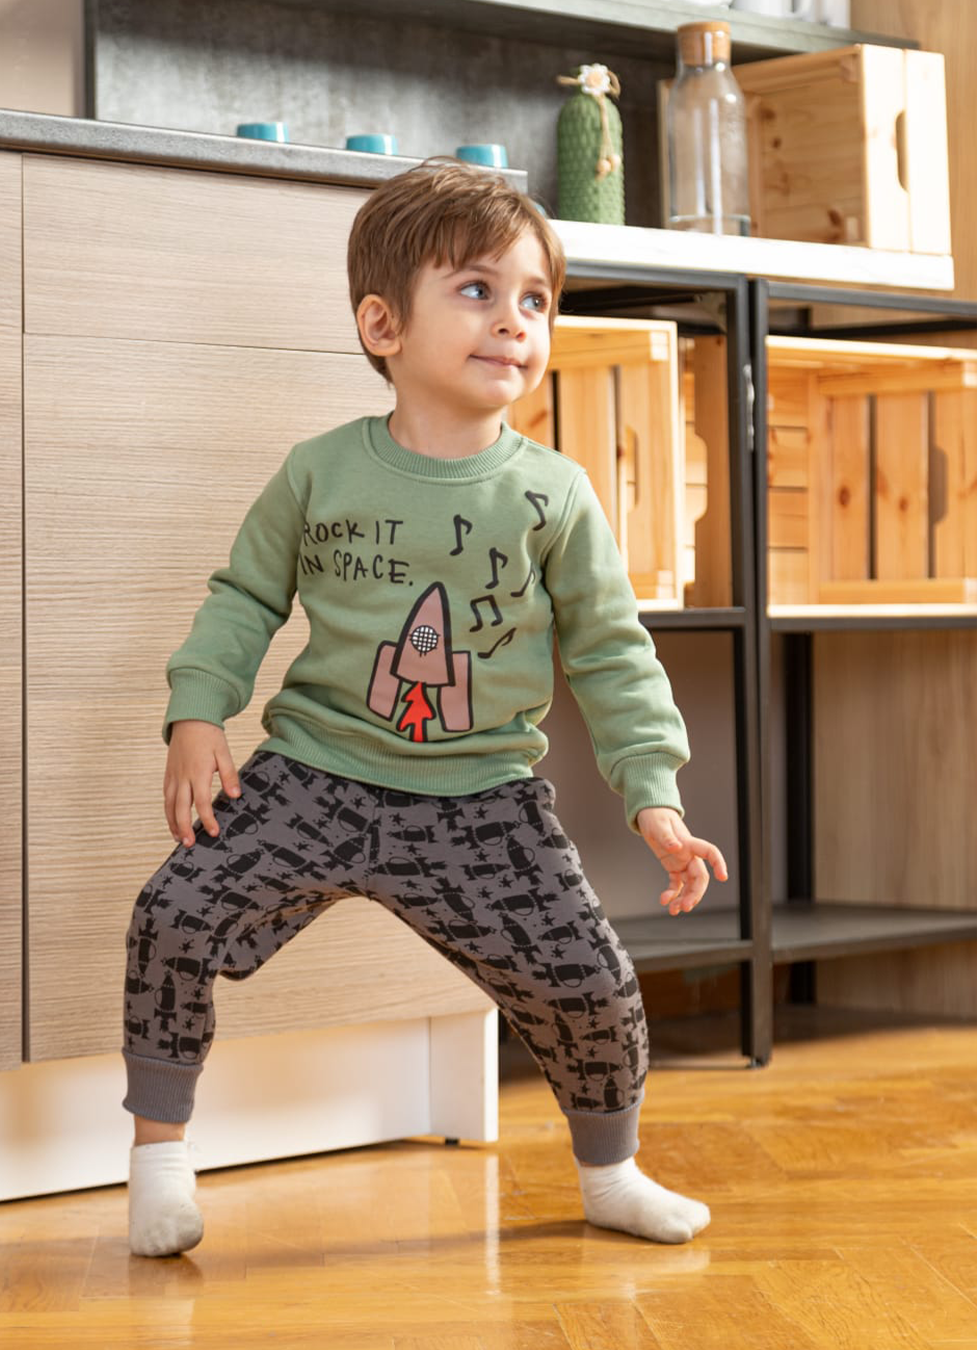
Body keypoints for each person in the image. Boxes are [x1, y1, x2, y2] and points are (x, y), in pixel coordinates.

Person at [122, 155, 728, 1258]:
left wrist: (654, 793)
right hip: (315, 773)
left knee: (591, 983)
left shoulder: (554, 495)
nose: (514, 321)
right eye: (478, 290)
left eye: (536, 299)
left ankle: (612, 1173)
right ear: (383, 325)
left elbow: (611, 653)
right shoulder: (318, 473)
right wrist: (198, 713)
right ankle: (158, 1162)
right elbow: (244, 599)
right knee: (173, 915)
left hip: (482, 797)